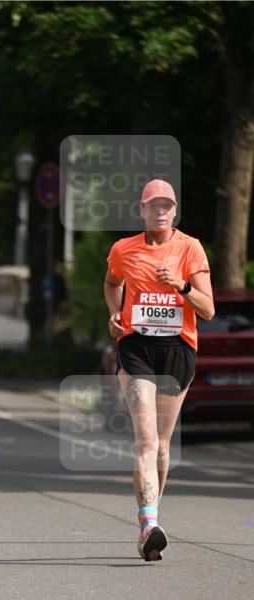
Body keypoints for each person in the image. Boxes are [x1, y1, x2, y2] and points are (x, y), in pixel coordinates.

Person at [104, 178, 214, 561]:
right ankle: (148, 523)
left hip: (177, 350)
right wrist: (114, 314)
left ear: (175, 210)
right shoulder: (123, 249)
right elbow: (110, 282)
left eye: (168, 205)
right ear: (143, 210)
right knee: (146, 440)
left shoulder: (190, 248)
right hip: (137, 349)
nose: (162, 211)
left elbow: (208, 309)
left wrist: (181, 286)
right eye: (155, 205)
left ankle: (151, 519)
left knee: (163, 445)